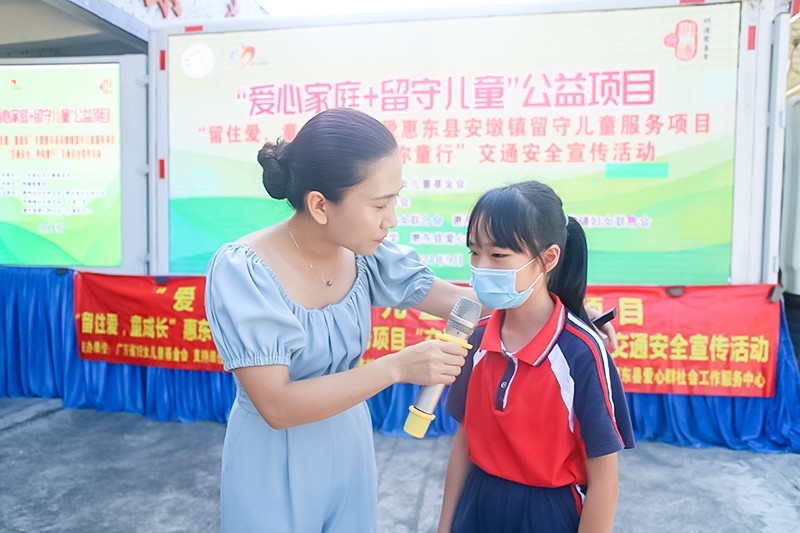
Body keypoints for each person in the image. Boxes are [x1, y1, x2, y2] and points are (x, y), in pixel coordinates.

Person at [204, 108, 474, 532]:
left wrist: (556, 302)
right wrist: (396, 368)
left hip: (350, 445)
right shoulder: (244, 269)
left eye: (395, 200)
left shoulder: (366, 254)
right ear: (320, 205)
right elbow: (276, 405)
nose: (391, 219)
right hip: (271, 459)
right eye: (379, 204)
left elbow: (460, 302)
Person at [438, 181, 635, 533]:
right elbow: (464, 442)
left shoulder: (581, 352)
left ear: (548, 258)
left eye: (498, 255)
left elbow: (604, 478)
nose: (481, 267)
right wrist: (445, 526)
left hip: (547, 513)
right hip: (477, 503)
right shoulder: (477, 339)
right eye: (474, 252)